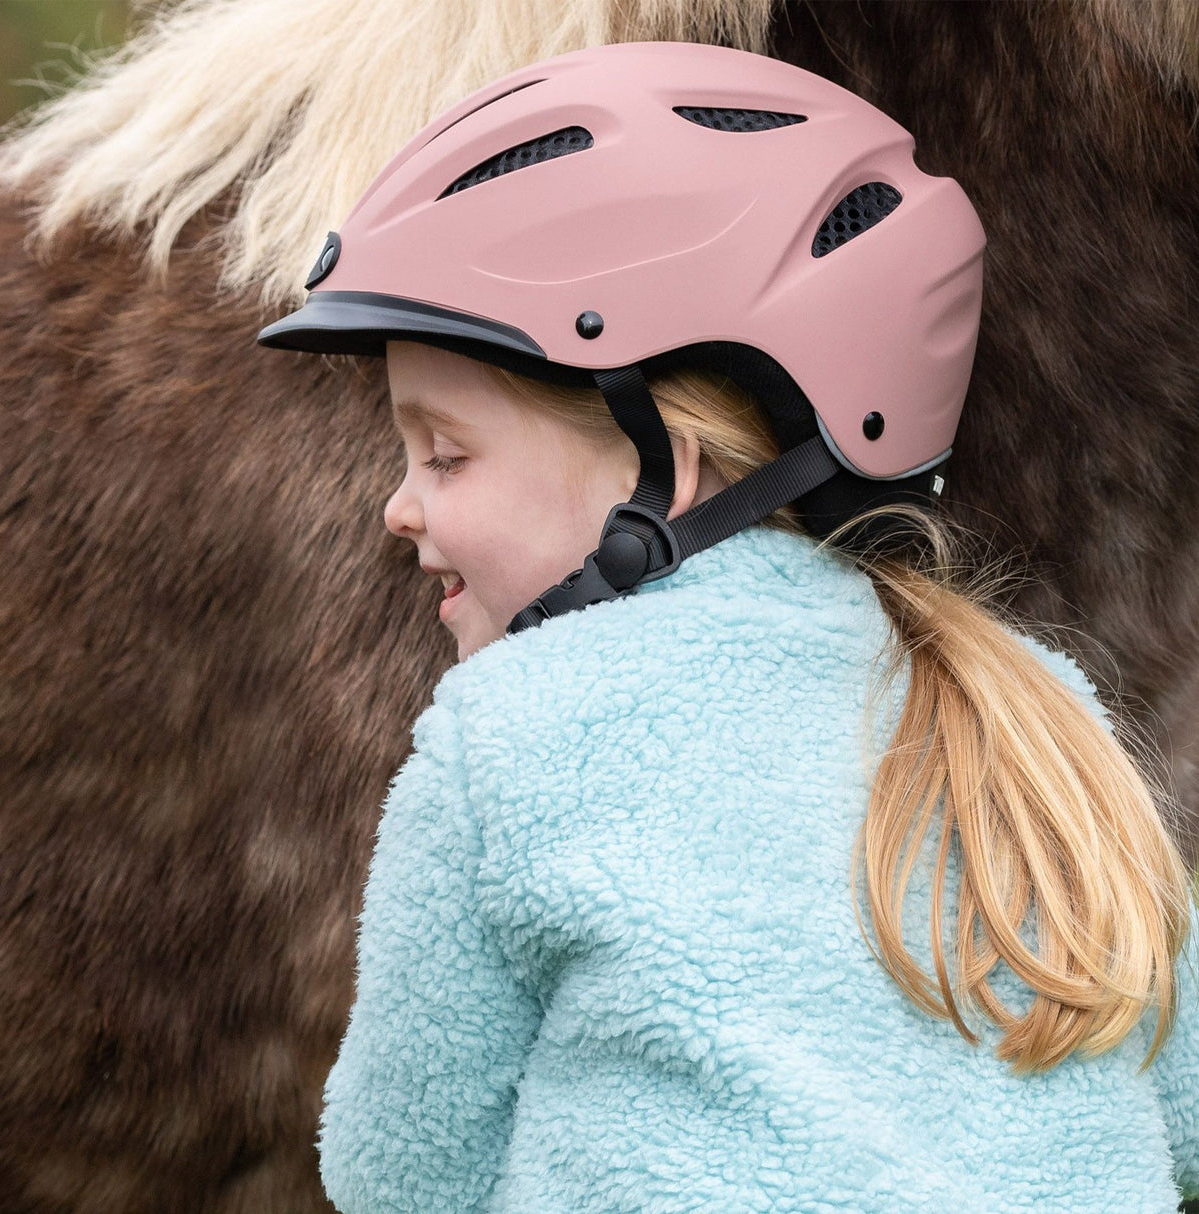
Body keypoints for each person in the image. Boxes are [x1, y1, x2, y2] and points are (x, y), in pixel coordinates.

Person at [257, 41, 1198, 1213]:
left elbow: (399, 1171)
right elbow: (1178, 1109)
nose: (399, 507)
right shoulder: (1052, 721)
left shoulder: (496, 747)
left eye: (444, 452)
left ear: (668, 464)